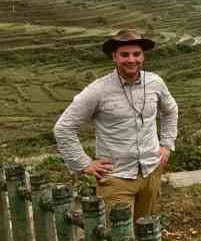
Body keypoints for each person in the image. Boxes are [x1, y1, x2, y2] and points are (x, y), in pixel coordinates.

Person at [53, 29, 179, 221]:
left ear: (143, 56)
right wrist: (83, 163)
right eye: (124, 55)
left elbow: (170, 111)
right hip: (116, 177)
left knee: (146, 231)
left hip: (151, 171)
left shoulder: (155, 82)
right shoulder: (98, 90)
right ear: (114, 56)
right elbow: (64, 127)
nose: (131, 60)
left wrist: (166, 145)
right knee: (120, 239)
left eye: (136, 54)